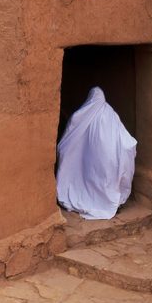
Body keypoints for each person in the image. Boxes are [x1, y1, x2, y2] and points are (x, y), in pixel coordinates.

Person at [55, 87, 137, 220]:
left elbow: (69, 136)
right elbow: (124, 137)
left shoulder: (82, 115)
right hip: (109, 159)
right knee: (103, 180)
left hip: (94, 160)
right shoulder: (110, 114)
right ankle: (106, 200)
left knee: (91, 177)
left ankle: (93, 199)